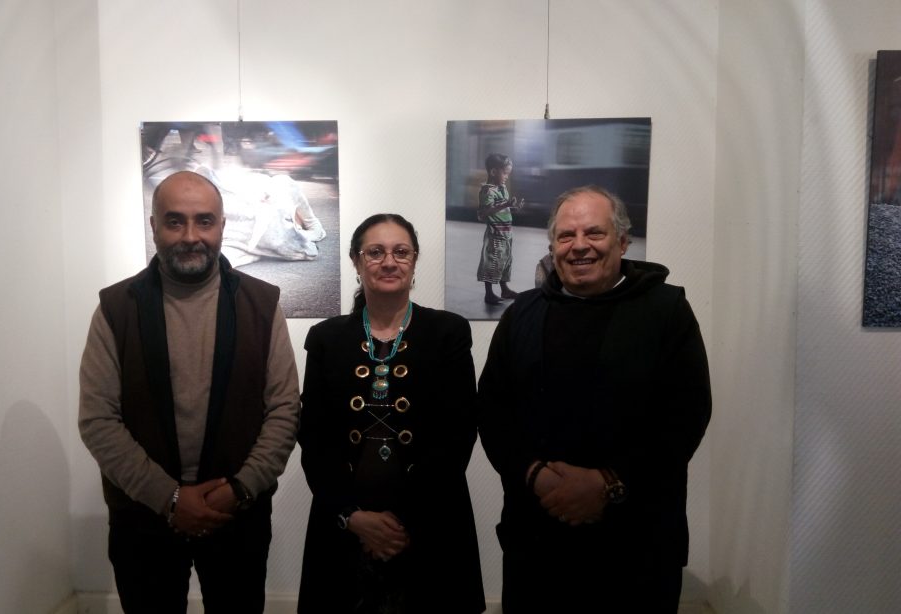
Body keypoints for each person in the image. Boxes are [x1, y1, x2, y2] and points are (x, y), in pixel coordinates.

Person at [478, 185, 711, 613]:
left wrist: (608, 482)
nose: (579, 245)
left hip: (637, 541)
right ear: (552, 246)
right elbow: (493, 411)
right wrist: (534, 474)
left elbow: (685, 415)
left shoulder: (667, 310)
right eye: (566, 235)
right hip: (537, 538)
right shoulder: (521, 314)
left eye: (594, 233)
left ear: (622, 242)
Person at [78, 170, 300, 614]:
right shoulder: (116, 308)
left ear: (222, 226)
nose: (191, 236)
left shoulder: (262, 304)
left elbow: (284, 410)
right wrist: (170, 498)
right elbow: (98, 421)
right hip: (143, 518)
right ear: (154, 226)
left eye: (204, 221)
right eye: (175, 221)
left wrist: (239, 488)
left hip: (236, 514)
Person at [297, 214, 485, 614]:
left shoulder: (448, 332)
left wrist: (400, 523)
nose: (389, 262)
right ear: (356, 260)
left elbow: (457, 434)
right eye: (375, 252)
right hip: (345, 523)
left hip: (431, 520)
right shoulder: (326, 338)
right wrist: (352, 517)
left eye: (401, 252)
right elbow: (314, 437)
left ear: (414, 260)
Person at [476, 153, 524, 305]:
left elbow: (503, 209)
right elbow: (485, 212)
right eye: (505, 173)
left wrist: (514, 207)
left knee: (505, 261)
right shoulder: (487, 191)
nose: (507, 177)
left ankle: (504, 289)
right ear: (493, 172)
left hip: (506, 233)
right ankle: (489, 294)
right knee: (493, 262)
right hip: (495, 234)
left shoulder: (502, 188)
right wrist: (506, 204)